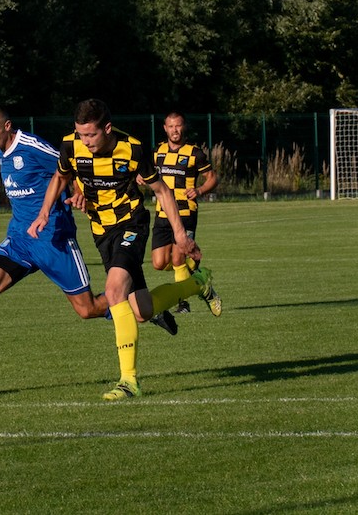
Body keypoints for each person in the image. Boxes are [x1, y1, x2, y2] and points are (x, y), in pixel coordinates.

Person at [28, 99, 220, 401]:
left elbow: (162, 191)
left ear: (107, 128)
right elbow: (61, 177)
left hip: (131, 223)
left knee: (114, 289)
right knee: (142, 311)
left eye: (91, 134)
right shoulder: (70, 145)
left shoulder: (132, 149)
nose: (85, 141)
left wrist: (180, 235)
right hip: (101, 230)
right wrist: (45, 213)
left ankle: (129, 382)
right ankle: (198, 283)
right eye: (81, 134)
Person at [0, 102, 111, 389]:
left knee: (87, 309)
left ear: (7, 127)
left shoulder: (32, 147)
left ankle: (133, 304)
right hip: (20, 239)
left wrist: (79, 192)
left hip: (53, 238)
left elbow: (70, 166)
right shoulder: (0, 150)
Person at [148, 111, 220, 315]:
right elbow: (147, 174)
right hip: (162, 213)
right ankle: (196, 270)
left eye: (178, 126)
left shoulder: (194, 153)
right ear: (165, 128)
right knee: (159, 263)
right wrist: (140, 178)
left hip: (185, 212)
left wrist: (200, 190)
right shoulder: (158, 151)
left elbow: (212, 178)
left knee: (177, 260)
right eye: (171, 126)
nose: (175, 130)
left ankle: (183, 304)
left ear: (184, 127)